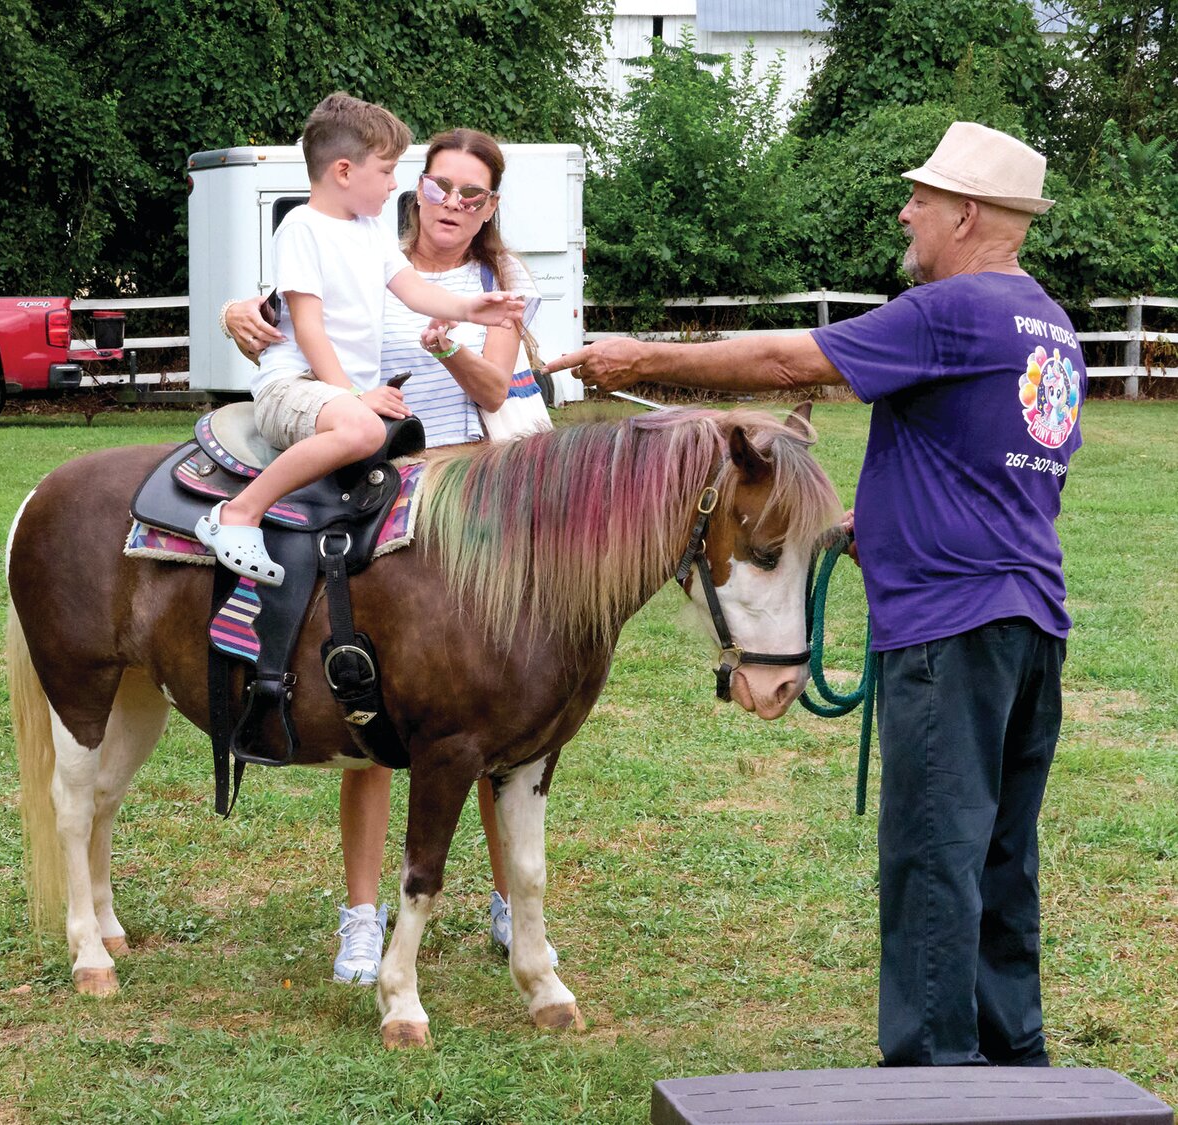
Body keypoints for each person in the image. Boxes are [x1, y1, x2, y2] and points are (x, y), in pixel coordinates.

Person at [546, 121, 1084, 1068]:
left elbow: (789, 363)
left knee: (931, 858)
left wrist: (640, 360)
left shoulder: (954, 308)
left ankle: (933, 1082)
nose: (906, 212)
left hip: (951, 629)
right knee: (1002, 855)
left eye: (922, 198)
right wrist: (874, 527)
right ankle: (1017, 1063)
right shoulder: (1050, 325)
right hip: (1031, 620)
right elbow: (1008, 478)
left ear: (966, 214)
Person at [223, 128, 557, 985]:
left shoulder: (499, 283)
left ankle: (506, 900)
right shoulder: (361, 239)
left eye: (472, 194)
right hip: (376, 484)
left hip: (472, 492)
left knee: (487, 721)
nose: (452, 203)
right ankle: (362, 916)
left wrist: (447, 333)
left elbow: (493, 390)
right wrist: (236, 316)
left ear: (489, 207)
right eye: (441, 185)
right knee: (370, 709)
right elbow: (281, 325)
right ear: (417, 187)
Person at [195, 94, 522, 588]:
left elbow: (413, 289)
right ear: (344, 171)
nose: (397, 186)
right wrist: (352, 396)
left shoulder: (371, 231)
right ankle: (238, 514)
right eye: (389, 172)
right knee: (364, 431)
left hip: (354, 405)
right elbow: (306, 326)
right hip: (300, 385)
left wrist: (470, 308)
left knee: (368, 430)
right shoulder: (302, 228)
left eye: (472, 195)